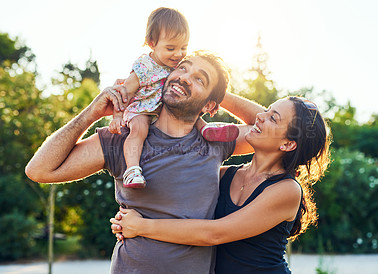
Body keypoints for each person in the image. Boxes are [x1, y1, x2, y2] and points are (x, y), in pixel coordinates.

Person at [25, 50, 265, 273]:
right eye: (181, 68)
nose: (184, 78)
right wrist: (92, 113)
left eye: (199, 79)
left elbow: (280, 131)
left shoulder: (216, 139)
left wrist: (220, 95)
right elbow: (39, 170)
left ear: (210, 105)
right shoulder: (124, 138)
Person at [110, 96, 332, 273]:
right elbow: (172, 188)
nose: (259, 116)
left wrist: (141, 227)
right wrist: (128, 219)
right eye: (266, 110)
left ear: (288, 143)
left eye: (273, 118)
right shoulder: (225, 175)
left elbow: (214, 234)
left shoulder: (287, 190)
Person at [109, 7, 238, 188]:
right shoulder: (144, 67)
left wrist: (215, 95)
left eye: (183, 48)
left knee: (189, 111)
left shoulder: (174, 64)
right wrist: (116, 117)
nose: (178, 54)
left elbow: (192, 92)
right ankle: (132, 170)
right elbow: (123, 93)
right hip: (141, 109)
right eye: (171, 48)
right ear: (152, 43)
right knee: (139, 130)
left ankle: (207, 129)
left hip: (160, 107)